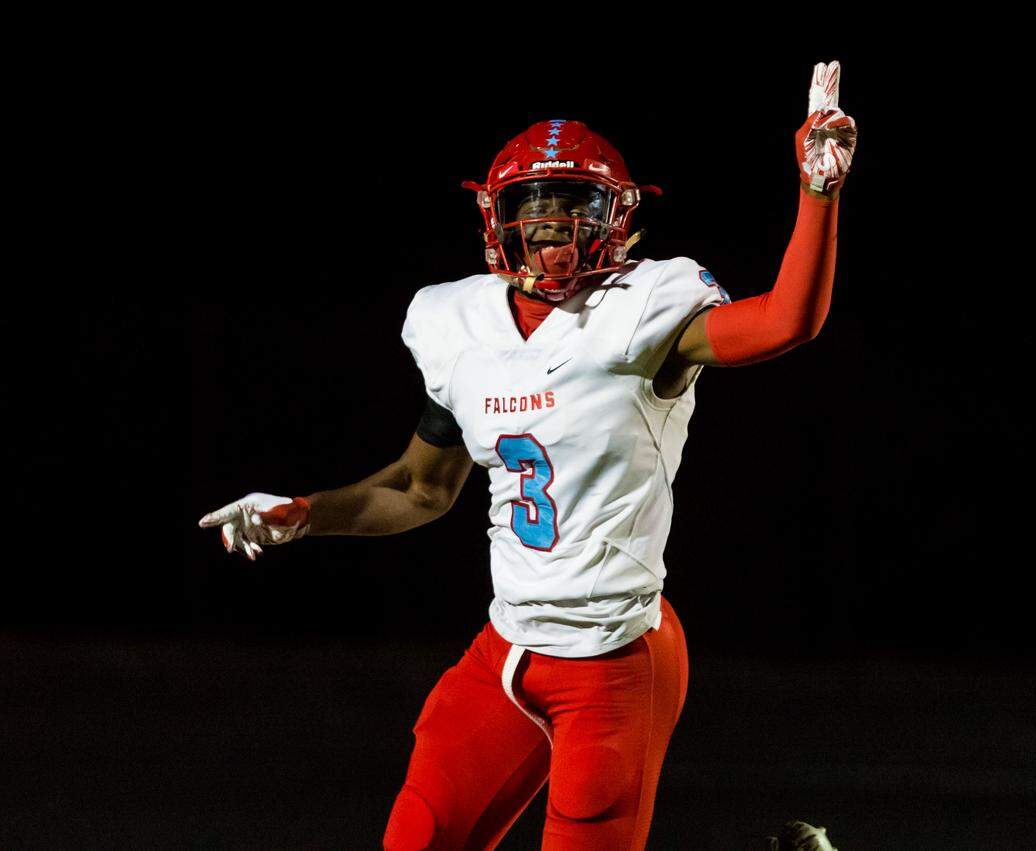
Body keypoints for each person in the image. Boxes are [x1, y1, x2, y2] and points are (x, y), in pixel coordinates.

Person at [199, 61, 856, 851]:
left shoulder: (646, 309)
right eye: (534, 206)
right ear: (494, 215)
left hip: (613, 658)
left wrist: (818, 192)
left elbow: (787, 320)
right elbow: (419, 485)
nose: (552, 228)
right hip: (506, 647)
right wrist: (306, 515)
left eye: (575, 205)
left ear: (617, 216)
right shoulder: (457, 323)